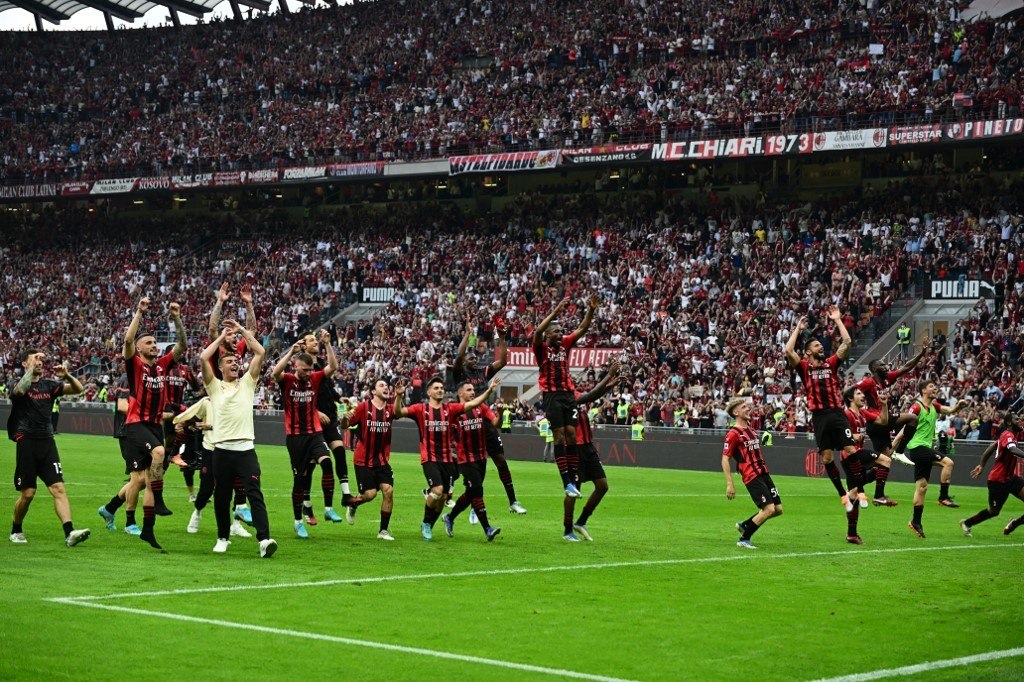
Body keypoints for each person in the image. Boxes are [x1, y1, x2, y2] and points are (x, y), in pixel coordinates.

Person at [199, 321, 277, 558]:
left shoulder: (247, 383)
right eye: (229, 362)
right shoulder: (214, 386)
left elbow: (261, 352)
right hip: (222, 451)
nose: (235, 364)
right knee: (222, 496)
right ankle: (222, 537)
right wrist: (221, 337)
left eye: (236, 362)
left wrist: (243, 331)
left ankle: (264, 540)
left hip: (245, 450)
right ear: (221, 367)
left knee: (255, 493)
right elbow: (203, 358)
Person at [395, 375, 500, 540]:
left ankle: (433, 522)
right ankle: (426, 523)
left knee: (443, 496)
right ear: (429, 392)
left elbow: (473, 403)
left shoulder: (450, 409)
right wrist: (400, 396)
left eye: (442, 388)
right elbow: (399, 412)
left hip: (447, 460)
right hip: (429, 458)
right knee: (437, 491)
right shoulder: (420, 409)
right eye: (436, 388)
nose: (440, 390)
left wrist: (488, 391)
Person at [119, 296, 187, 549]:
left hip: (154, 425)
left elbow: (181, 344)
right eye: (148, 342)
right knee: (159, 453)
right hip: (136, 424)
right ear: (139, 349)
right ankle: (158, 501)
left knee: (149, 479)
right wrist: (139, 311)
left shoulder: (162, 365)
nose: (154, 345)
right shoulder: (135, 365)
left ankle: (148, 529)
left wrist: (177, 318)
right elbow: (127, 340)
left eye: (156, 341)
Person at [8, 350, 90, 547]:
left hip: (47, 441)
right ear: (24, 363)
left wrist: (67, 375)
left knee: (58, 488)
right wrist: (29, 370)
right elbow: (19, 392)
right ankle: (16, 529)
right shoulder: (18, 384)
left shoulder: (50, 385)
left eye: (40, 359)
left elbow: (78, 389)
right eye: (34, 359)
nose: (39, 362)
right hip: (26, 440)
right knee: (28, 494)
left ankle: (69, 532)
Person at [785, 308, 859, 512]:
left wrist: (838, 320)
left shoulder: (831, 364)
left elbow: (847, 343)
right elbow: (788, 351)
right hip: (819, 418)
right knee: (827, 458)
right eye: (817, 345)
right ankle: (843, 494)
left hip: (837, 414)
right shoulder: (804, 368)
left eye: (820, 345)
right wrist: (798, 329)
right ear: (808, 352)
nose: (821, 347)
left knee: (851, 450)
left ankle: (856, 487)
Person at [452, 316, 526, 515]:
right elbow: (458, 357)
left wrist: (502, 337)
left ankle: (513, 501)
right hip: (467, 424)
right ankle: (466, 499)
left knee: (500, 460)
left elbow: (503, 360)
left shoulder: (482, 373)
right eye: (471, 357)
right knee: (472, 467)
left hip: (485, 422)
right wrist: (468, 335)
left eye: (475, 356)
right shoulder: (460, 374)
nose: (474, 358)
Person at [272, 330, 338, 539]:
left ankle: (328, 509)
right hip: (295, 438)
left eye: (310, 370)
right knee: (299, 480)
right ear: (296, 367)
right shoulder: (288, 380)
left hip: (314, 434)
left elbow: (333, 367)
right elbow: (275, 373)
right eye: (304, 370)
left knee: (327, 463)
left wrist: (327, 345)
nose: (308, 373)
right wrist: (292, 352)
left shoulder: (315, 379)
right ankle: (298, 521)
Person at [533, 294, 599, 498]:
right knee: (559, 436)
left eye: (562, 331)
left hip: (568, 395)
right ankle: (566, 482)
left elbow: (582, 329)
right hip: (551, 396)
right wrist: (555, 311)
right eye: (557, 331)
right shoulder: (541, 348)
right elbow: (537, 332)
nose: (561, 334)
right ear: (549, 335)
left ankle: (572, 479)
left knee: (571, 435)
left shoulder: (565, 345)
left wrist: (591, 310)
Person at [173, 397, 251, 540]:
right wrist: (184, 426)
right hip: (211, 449)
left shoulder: (238, 399)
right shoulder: (207, 401)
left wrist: (210, 426)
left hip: (232, 448)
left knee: (238, 486)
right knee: (206, 489)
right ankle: (197, 511)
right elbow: (192, 419)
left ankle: (236, 524)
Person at [901, 380, 969, 538]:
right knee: (948, 463)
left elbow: (950, 410)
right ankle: (943, 497)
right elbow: (905, 423)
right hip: (917, 448)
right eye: (931, 387)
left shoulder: (935, 406)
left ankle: (915, 522)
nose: (935, 389)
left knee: (922, 487)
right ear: (923, 390)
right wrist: (897, 444)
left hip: (923, 448)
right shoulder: (916, 407)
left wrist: (959, 405)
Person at [440, 380, 505, 542]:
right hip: (465, 459)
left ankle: (450, 517)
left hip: (481, 458)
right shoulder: (454, 411)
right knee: (477, 490)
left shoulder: (481, 408)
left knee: (471, 493)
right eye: (469, 390)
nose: (472, 392)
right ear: (460, 393)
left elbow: (496, 424)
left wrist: (501, 413)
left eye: (473, 390)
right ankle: (487, 529)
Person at [564, 360, 620, 541]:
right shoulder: (563, 399)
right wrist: (609, 376)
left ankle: (581, 522)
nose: (571, 379)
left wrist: (609, 386)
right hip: (574, 449)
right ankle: (567, 530)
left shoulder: (575, 393)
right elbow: (590, 396)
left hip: (587, 446)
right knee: (574, 491)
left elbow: (592, 396)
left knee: (602, 486)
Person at [301, 331, 353, 523]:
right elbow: (302, 396)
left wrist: (340, 398)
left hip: (329, 416)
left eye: (316, 340)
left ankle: (346, 494)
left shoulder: (321, 364)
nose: (316, 342)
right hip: (313, 420)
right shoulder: (302, 368)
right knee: (312, 464)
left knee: (339, 451)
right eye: (312, 340)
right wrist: (315, 412)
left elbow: (328, 385)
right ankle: (306, 505)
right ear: (304, 346)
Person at [854, 343, 933, 464]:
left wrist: (921, 354)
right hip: (877, 421)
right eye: (882, 365)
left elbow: (906, 367)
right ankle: (900, 451)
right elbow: (850, 392)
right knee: (913, 418)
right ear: (875, 369)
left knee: (884, 462)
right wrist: (861, 413)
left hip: (882, 423)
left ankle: (863, 473)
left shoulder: (886, 379)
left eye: (885, 365)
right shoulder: (868, 382)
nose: (886, 367)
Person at [339, 379, 397, 540]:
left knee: (388, 491)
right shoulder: (363, 408)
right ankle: (354, 504)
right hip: (363, 460)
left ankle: (383, 531)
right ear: (373, 391)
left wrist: (399, 395)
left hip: (382, 460)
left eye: (387, 386)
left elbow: (400, 411)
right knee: (370, 494)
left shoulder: (390, 410)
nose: (386, 387)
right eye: (381, 385)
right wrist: (345, 418)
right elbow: (344, 425)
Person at [722, 398, 782, 549]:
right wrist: (730, 483)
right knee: (768, 509)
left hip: (764, 473)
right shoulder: (733, 434)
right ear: (736, 412)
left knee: (778, 510)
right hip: (751, 476)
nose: (748, 409)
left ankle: (745, 524)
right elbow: (725, 459)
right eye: (744, 407)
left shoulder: (751, 429)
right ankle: (744, 538)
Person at [841, 388, 897, 544]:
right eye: (858, 394)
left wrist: (884, 405)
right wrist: (853, 436)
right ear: (850, 398)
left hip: (852, 457)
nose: (863, 396)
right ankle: (879, 496)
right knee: (885, 460)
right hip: (851, 454)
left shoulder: (862, 414)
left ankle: (851, 534)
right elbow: (837, 435)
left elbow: (883, 421)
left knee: (853, 494)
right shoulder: (846, 415)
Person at [960, 412, 1024, 536]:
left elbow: (991, 447)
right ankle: (967, 523)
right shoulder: (1007, 435)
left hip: (1010, 478)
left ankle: (1013, 524)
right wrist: (982, 465)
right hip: (998, 480)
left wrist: (982, 465)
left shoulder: (1008, 436)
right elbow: (1012, 450)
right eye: (1017, 419)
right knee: (994, 511)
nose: (1020, 420)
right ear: (1009, 423)